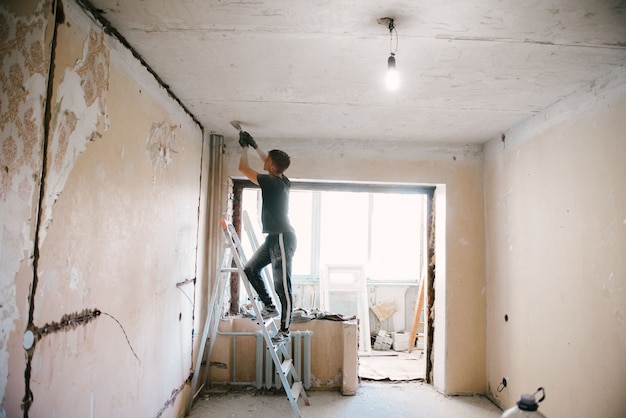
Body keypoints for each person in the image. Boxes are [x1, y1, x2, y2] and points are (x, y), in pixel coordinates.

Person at [238, 130, 296, 344]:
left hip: (282, 237)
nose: (265, 161)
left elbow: (242, 168)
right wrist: (255, 146)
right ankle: (269, 306)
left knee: (282, 285)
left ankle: (285, 330)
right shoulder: (282, 179)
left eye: (267, 160)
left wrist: (243, 147)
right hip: (273, 237)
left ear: (272, 167)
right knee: (250, 269)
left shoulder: (271, 183)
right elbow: (267, 161)